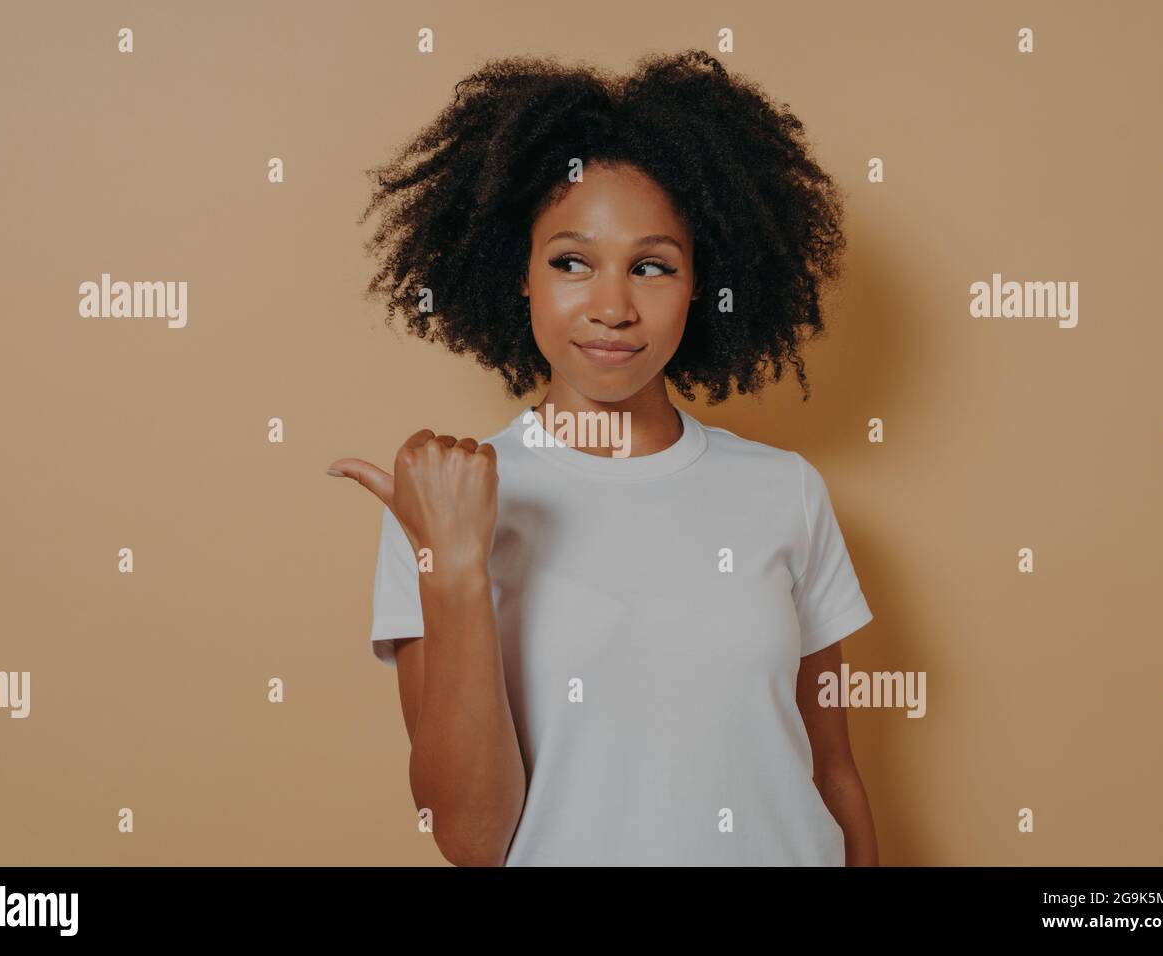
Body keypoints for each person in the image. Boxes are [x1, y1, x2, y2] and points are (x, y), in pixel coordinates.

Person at [327, 50, 878, 866]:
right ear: (520, 274)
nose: (613, 307)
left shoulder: (785, 492)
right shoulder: (446, 501)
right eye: (571, 263)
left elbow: (833, 775)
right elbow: (471, 838)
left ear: (701, 282)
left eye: (652, 266)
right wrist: (454, 568)